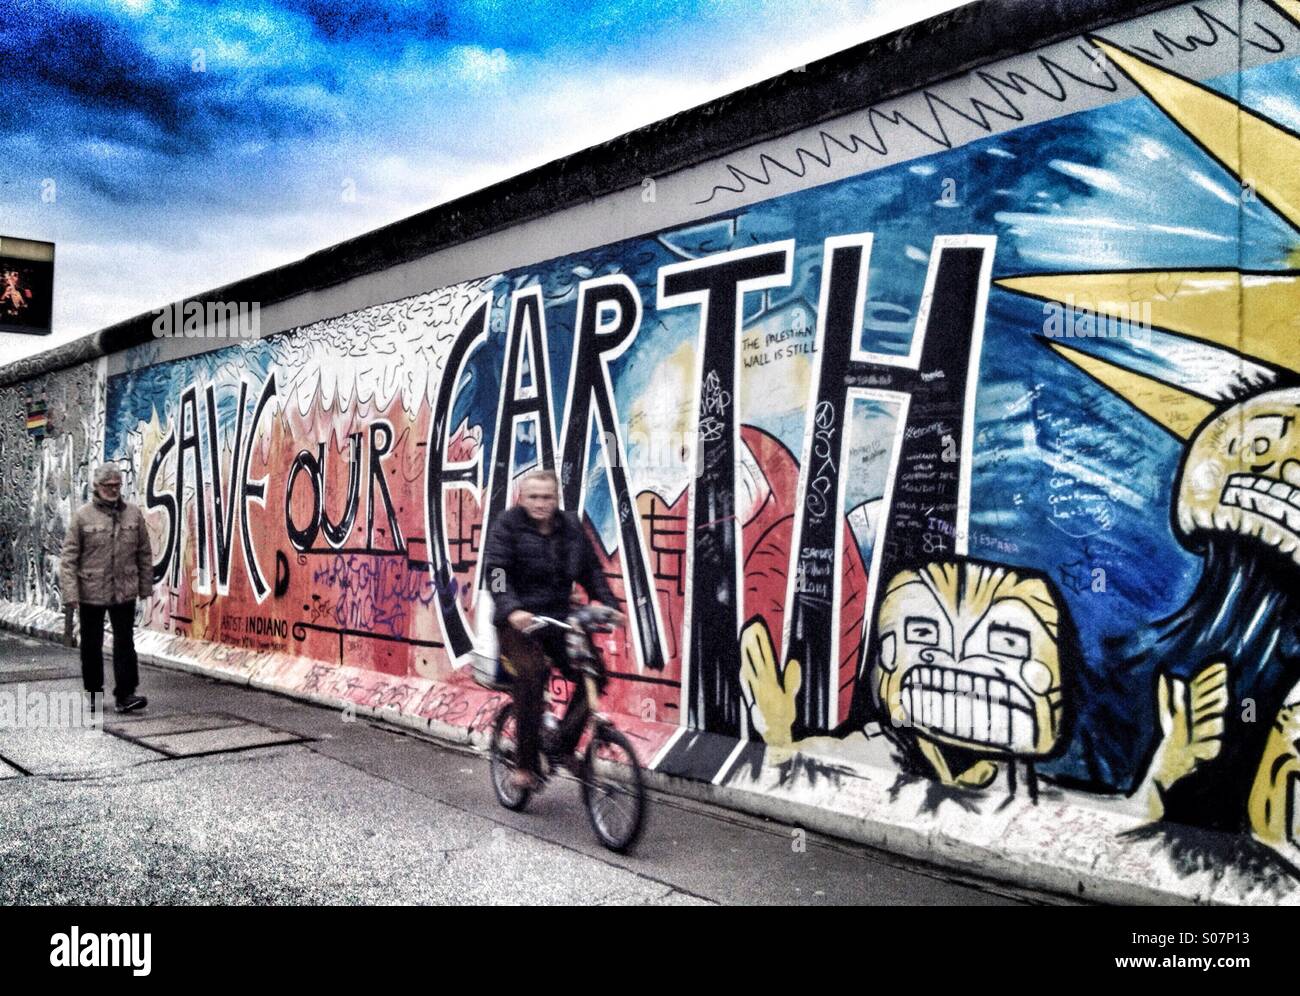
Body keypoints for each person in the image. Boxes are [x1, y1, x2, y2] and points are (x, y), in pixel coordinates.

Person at [482, 469, 623, 791]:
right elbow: (497, 572)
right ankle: (525, 764)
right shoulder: (508, 525)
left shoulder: (571, 527)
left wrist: (610, 604)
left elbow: (591, 571)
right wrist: (511, 608)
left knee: (594, 674)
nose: (540, 503)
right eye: (533, 497)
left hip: (559, 620)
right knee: (531, 674)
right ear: (522, 498)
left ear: (557, 499)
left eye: (547, 497)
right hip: (518, 623)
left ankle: (561, 745)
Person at [60, 462, 154, 714]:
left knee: (125, 643)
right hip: (91, 592)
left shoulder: (133, 514)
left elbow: (144, 552)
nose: (113, 490)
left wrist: (145, 587)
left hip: (124, 590)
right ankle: (93, 692)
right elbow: (68, 559)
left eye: (117, 485)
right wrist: (71, 594)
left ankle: (126, 694)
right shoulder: (82, 517)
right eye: (108, 486)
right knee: (91, 645)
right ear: (97, 487)